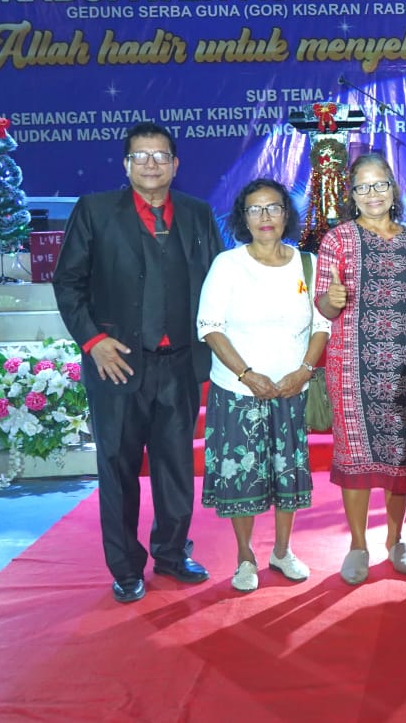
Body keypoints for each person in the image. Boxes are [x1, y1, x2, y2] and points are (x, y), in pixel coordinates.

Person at [53, 122, 223, 604]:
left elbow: (218, 281)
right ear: (126, 164)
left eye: (160, 156)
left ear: (175, 164)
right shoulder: (95, 211)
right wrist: (93, 341)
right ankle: (126, 567)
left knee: (176, 467)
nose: (151, 164)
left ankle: (172, 553)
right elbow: (68, 282)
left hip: (181, 363)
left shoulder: (197, 213)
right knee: (118, 468)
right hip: (117, 362)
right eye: (141, 156)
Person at [197, 179, 330, 592]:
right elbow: (209, 327)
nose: (265, 217)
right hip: (238, 392)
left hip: (292, 390)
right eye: (255, 209)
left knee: (287, 473)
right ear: (243, 218)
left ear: (286, 214)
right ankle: (245, 557)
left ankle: (282, 551)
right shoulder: (228, 265)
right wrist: (247, 375)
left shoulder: (307, 264)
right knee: (243, 477)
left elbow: (322, 324)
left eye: (273, 207)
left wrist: (304, 371)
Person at [314, 153, 406, 585]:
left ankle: (396, 541)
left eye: (380, 184)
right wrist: (332, 301)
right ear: (352, 194)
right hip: (351, 367)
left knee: (400, 458)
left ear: (393, 190)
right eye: (362, 187)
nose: (372, 194)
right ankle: (358, 545)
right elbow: (323, 304)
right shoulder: (337, 240)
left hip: (405, 366)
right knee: (356, 458)